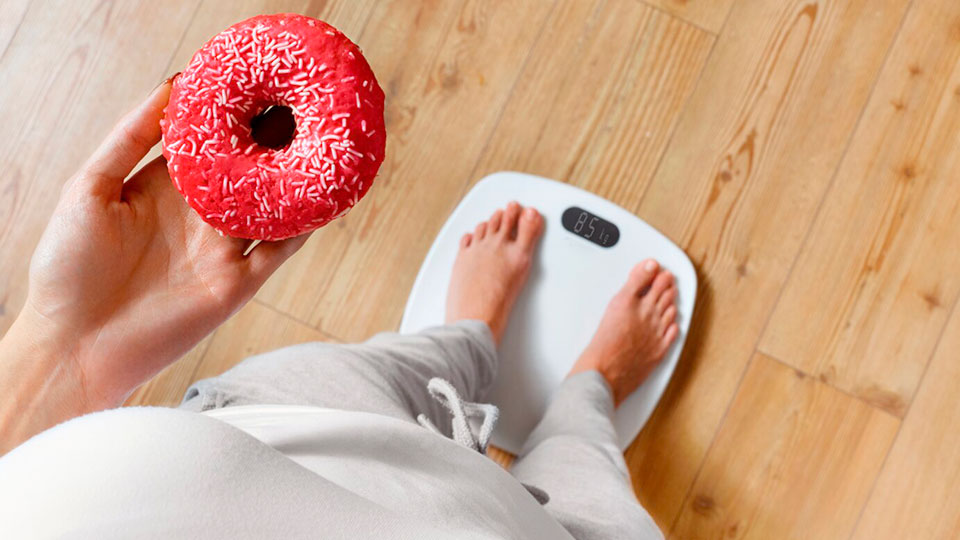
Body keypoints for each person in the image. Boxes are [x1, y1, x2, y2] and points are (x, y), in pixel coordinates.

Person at [0, 78, 679, 539]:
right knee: (584, 474)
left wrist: (64, 350)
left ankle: (470, 332)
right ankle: (592, 385)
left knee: (403, 367)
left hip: (263, 429)